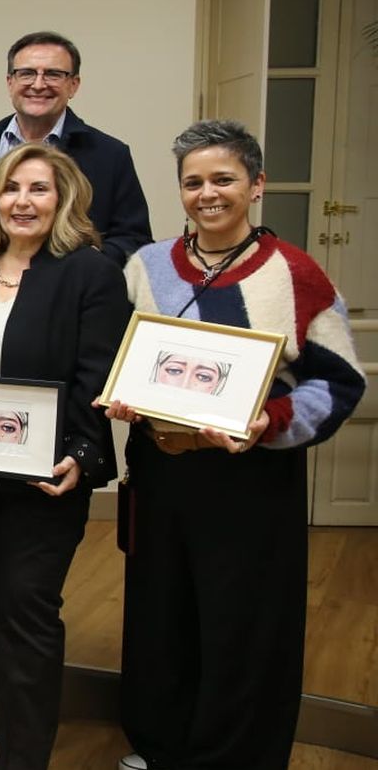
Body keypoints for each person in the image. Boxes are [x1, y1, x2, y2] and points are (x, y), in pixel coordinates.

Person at [106, 120, 364, 770]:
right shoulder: (148, 267)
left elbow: (340, 382)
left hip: (250, 480)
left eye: (223, 179)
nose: (207, 194)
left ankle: (231, 756)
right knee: (162, 616)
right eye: (193, 182)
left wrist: (269, 421)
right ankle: (160, 745)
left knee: (242, 627)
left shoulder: (295, 275)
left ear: (255, 186)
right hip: (163, 475)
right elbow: (119, 358)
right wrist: (122, 396)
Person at [0, 30, 153, 625]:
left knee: (29, 579)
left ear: (73, 84)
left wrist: (69, 277)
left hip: (61, 344)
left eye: (54, 74)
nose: (39, 83)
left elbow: (134, 242)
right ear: (9, 83)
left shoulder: (108, 154)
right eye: (27, 73)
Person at [0, 143, 130, 769]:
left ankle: (24, 754)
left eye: (39, 189)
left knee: (28, 605)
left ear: (63, 198)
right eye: (11, 189)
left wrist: (82, 451)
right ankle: (9, 719)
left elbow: (99, 376)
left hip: (47, 477)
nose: (22, 201)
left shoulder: (89, 272)